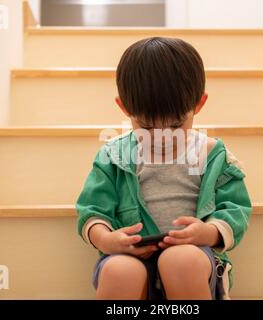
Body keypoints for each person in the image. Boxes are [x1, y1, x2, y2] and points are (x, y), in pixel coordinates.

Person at [76, 37, 252, 300]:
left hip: (192, 258)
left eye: (175, 125)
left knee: (180, 261)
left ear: (198, 105)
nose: (161, 136)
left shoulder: (214, 155)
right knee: (119, 271)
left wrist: (208, 232)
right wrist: (106, 241)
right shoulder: (113, 156)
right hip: (131, 258)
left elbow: (236, 210)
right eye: (146, 126)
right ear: (124, 108)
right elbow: (92, 210)